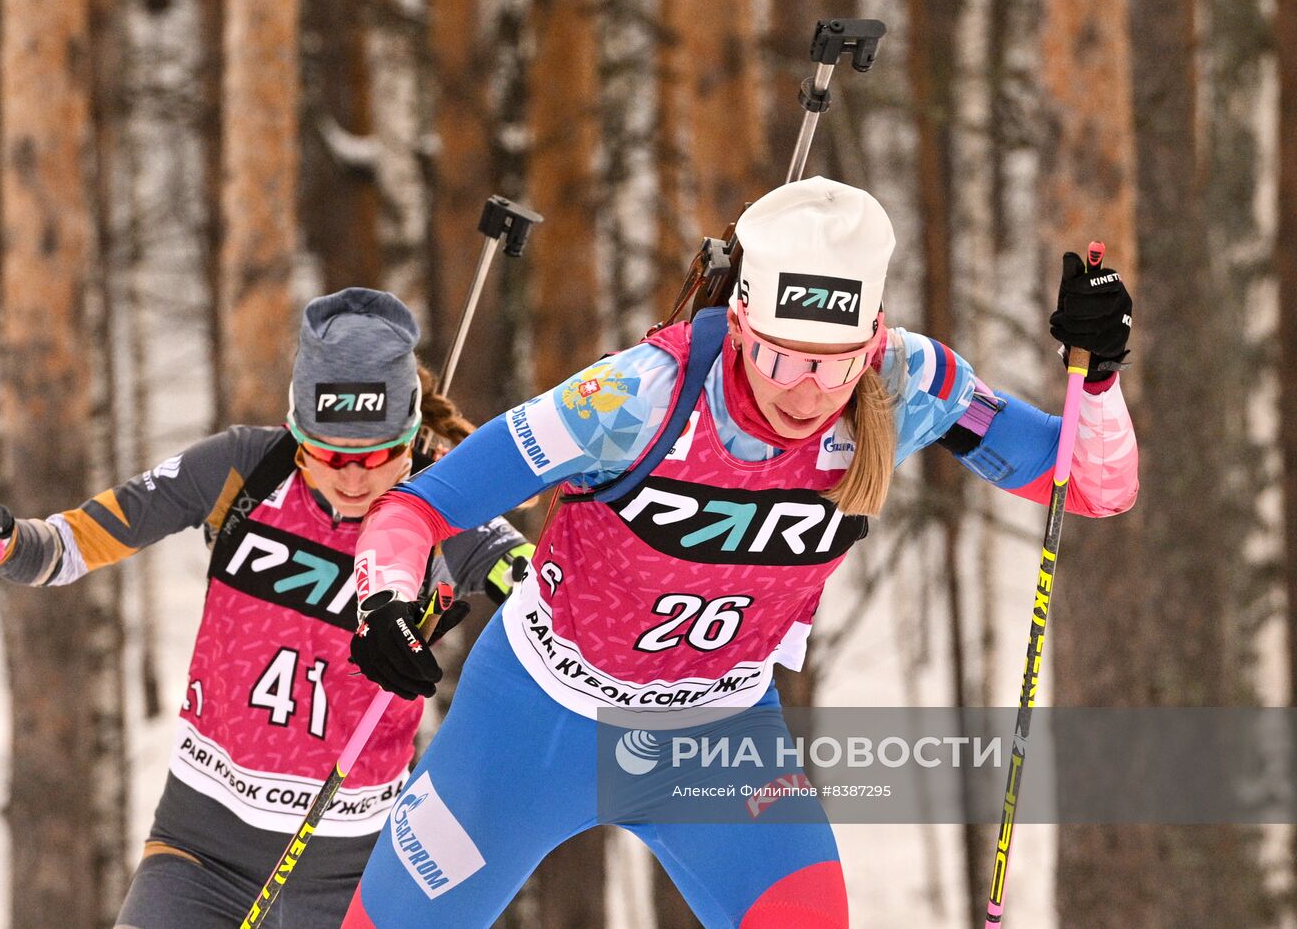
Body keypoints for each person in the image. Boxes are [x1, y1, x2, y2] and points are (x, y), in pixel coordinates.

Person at [338, 177, 1139, 928]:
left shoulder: (905, 382)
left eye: (833, 364)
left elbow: (1091, 485)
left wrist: (1096, 381)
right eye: (780, 356)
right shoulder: (634, 397)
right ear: (742, 326)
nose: (805, 391)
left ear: (873, 340)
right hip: (535, 722)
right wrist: (383, 600)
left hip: (717, 739)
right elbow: (421, 503)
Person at [0, 288, 533, 928]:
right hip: (201, 851)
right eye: (331, 456)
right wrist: (6, 546)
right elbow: (81, 539)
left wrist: (518, 578)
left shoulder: (441, 505)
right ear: (296, 430)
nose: (354, 480)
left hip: (358, 868)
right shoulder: (242, 470)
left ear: (412, 435)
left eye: (378, 456)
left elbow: (539, 585)